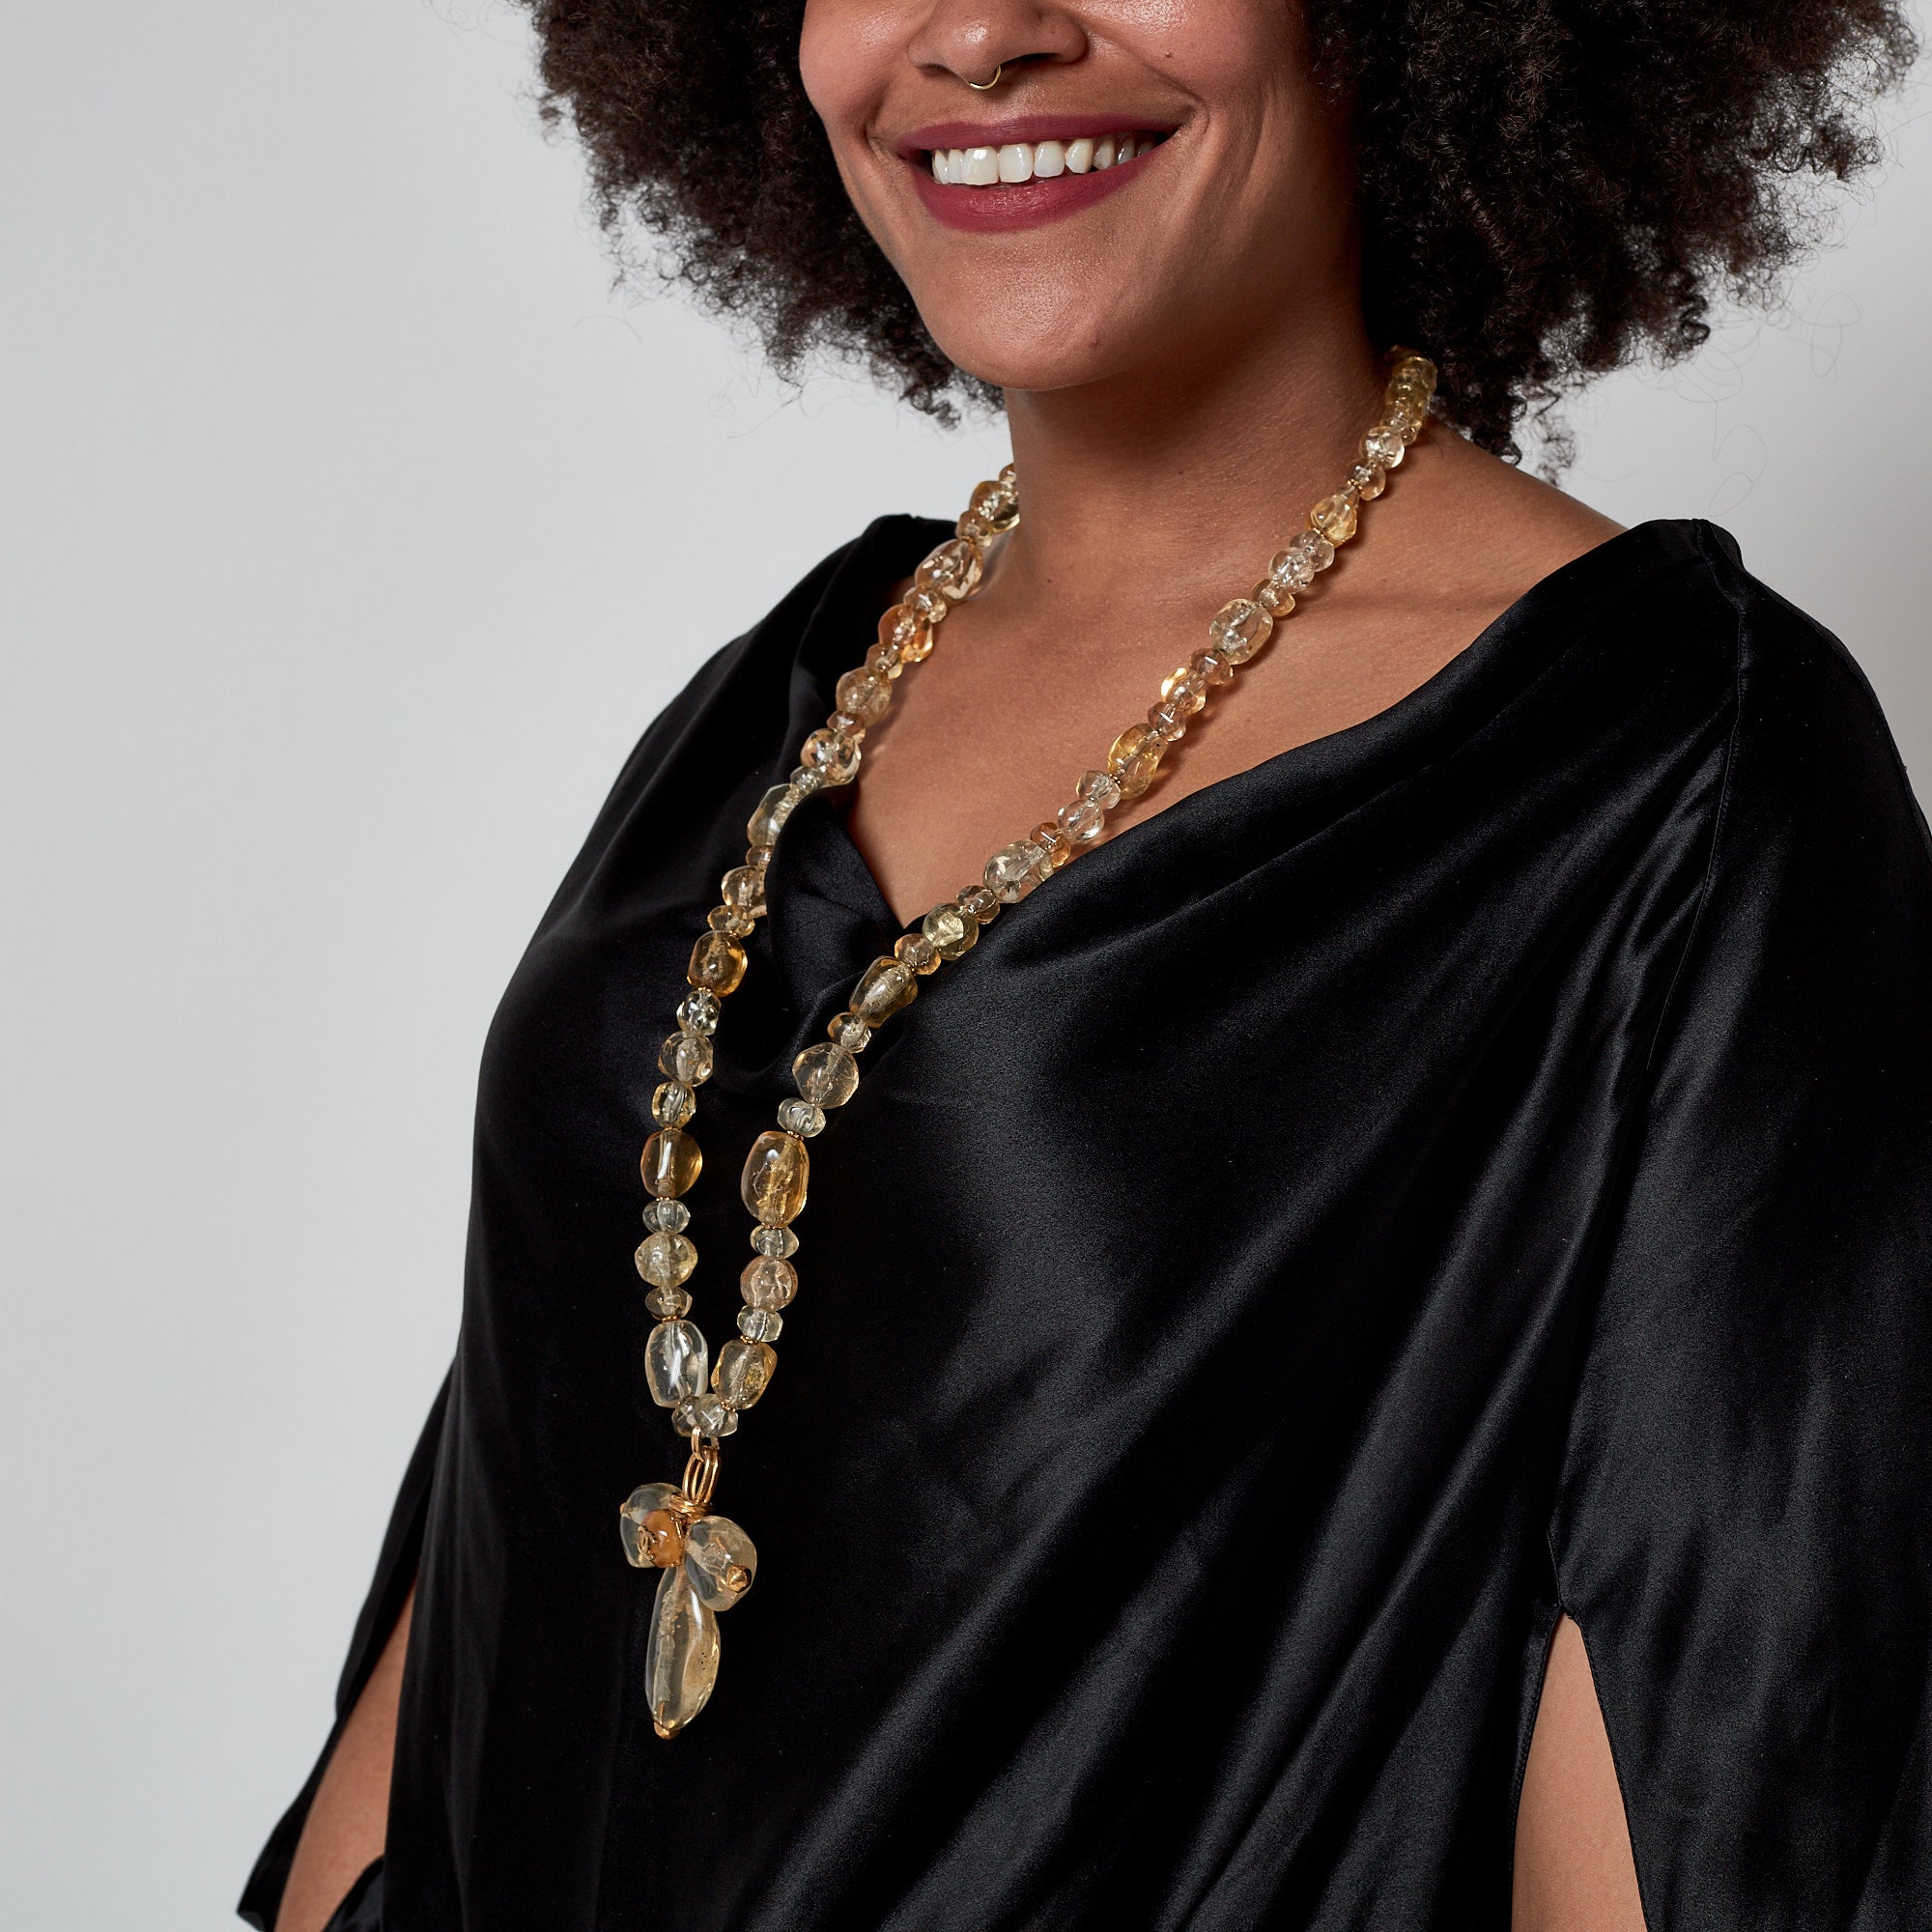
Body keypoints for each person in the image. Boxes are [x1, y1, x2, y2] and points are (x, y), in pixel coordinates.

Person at [242, 2, 1930, 1928]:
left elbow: (1706, 1735)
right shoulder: (775, 699)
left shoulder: (1671, 778)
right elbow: (496, 1553)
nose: (979, 34)